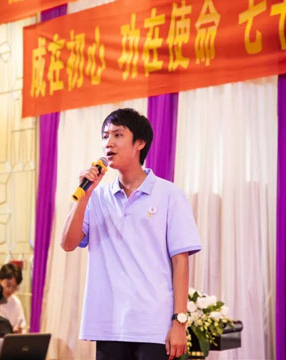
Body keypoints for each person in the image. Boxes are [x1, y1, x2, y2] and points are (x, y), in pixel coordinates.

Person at [61, 108, 202, 360]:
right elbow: (68, 243)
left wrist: (179, 322)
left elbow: (180, 262)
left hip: (153, 326)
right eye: (105, 136)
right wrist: (85, 195)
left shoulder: (169, 195)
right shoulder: (96, 197)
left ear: (140, 143)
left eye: (117, 135)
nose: (109, 143)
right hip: (108, 324)